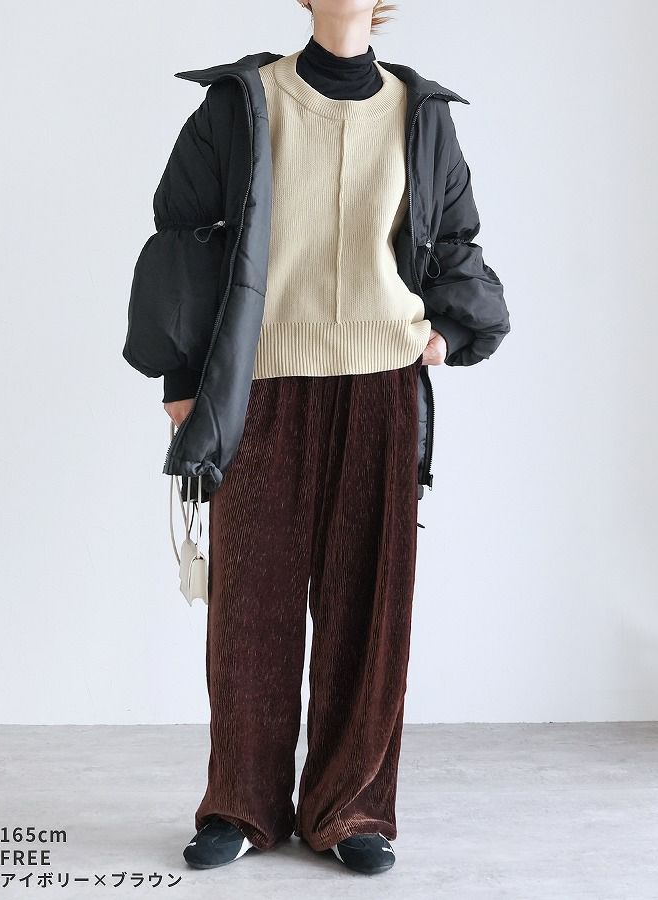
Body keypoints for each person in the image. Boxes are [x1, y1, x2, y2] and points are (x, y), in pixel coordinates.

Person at [122, 0, 510, 876]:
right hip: (262, 384)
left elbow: (453, 236)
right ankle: (242, 804)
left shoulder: (421, 115)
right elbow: (181, 234)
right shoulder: (244, 102)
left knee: (368, 613)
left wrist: (450, 328)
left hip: (382, 388)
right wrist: (180, 380)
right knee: (249, 610)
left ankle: (351, 809)